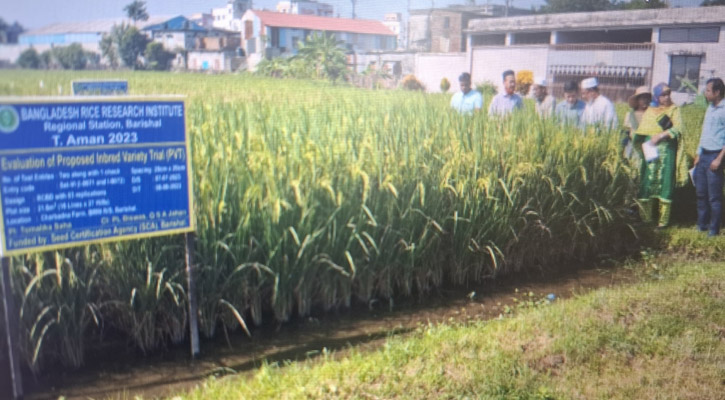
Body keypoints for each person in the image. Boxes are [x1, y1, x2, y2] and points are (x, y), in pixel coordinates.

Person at [632, 83, 682, 229]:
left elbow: (678, 128)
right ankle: (646, 218)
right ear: (657, 97)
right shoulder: (651, 111)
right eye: (663, 95)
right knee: (647, 183)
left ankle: (663, 221)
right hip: (651, 152)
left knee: (665, 184)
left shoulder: (674, 110)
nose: (666, 97)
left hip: (667, 153)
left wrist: (661, 135)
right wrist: (643, 141)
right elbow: (643, 130)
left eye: (668, 94)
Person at [694, 77, 725, 236]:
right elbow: (704, 132)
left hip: (715, 156)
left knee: (714, 197)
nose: (705, 93)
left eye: (707, 90)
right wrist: (699, 153)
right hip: (704, 154)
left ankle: (714, 230)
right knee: (701, 193)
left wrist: (719, 159)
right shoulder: (710, 108)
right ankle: (702, 225)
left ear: (717, 92)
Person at [622, 86, 652, 158]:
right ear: (637, 100)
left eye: (647, 98)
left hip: (649, 146)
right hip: (634, 147)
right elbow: (627, 132)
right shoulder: (630, 115)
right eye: (642, 98)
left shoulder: (652, 114)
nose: (645, 100)